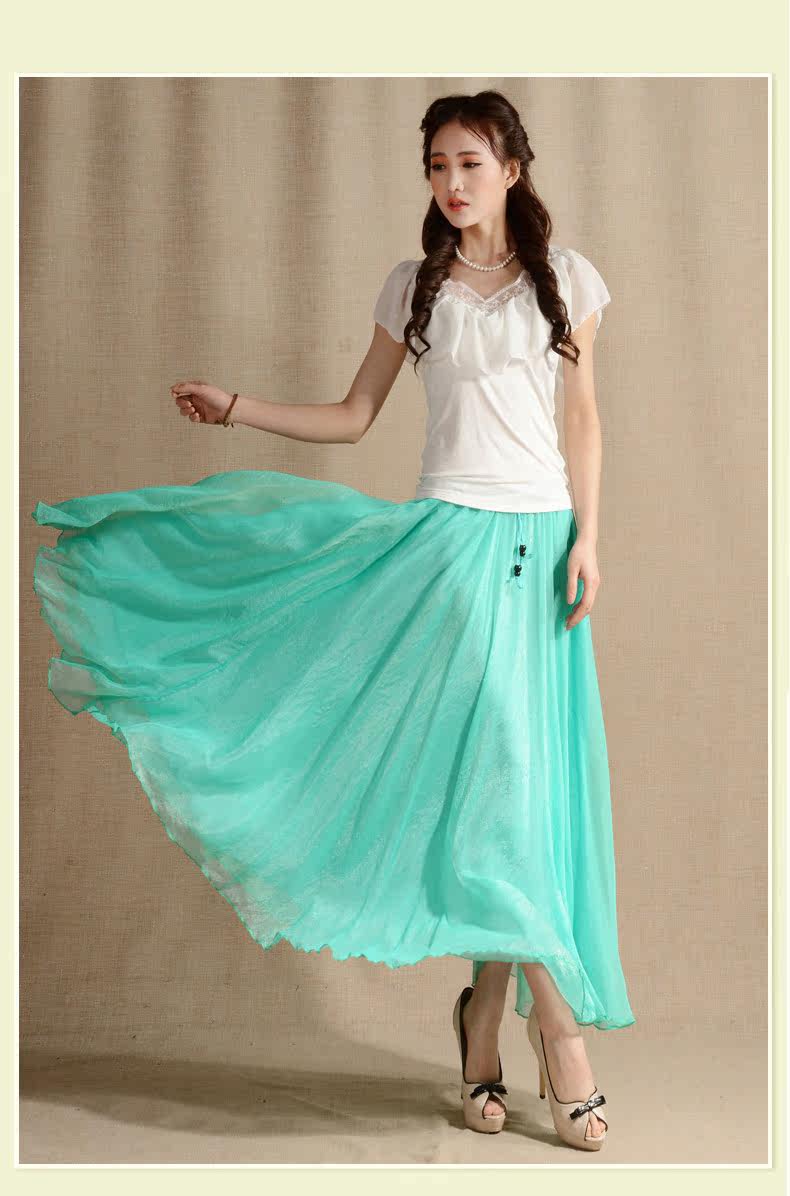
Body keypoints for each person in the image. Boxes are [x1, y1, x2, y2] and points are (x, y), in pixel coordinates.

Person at [31, 88, 635, 1151]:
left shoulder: (567, 279)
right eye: (436, 166)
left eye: (469, 163)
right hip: (449, 552)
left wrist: (589, 537)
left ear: (512, 169)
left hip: (543, 550)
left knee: (519, 789)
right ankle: (561, 1032)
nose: (451, 183)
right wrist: (239, 408)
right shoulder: (414, 284)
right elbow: (355, 416)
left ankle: (482, 1017)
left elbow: (580, 418)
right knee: (498, 779)